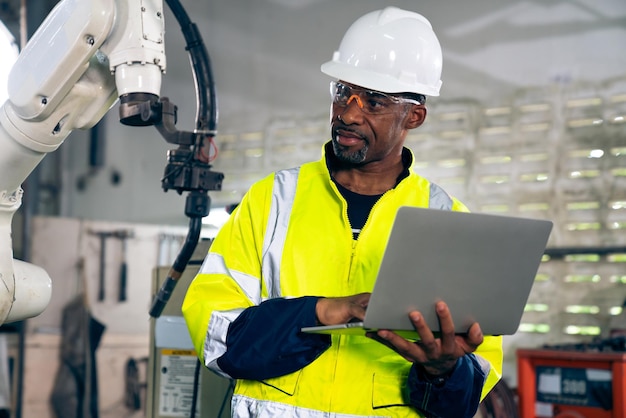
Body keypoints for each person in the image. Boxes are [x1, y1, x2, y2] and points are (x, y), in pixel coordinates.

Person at [182, 6, 503, 418]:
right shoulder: (272, 200)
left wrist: (443, 371)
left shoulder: (449, 220)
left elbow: (461, 399)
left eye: (374, 101)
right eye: (342, 93)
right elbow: (218, 340)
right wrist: (324, 312)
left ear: (414, 116)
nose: (349, 113)